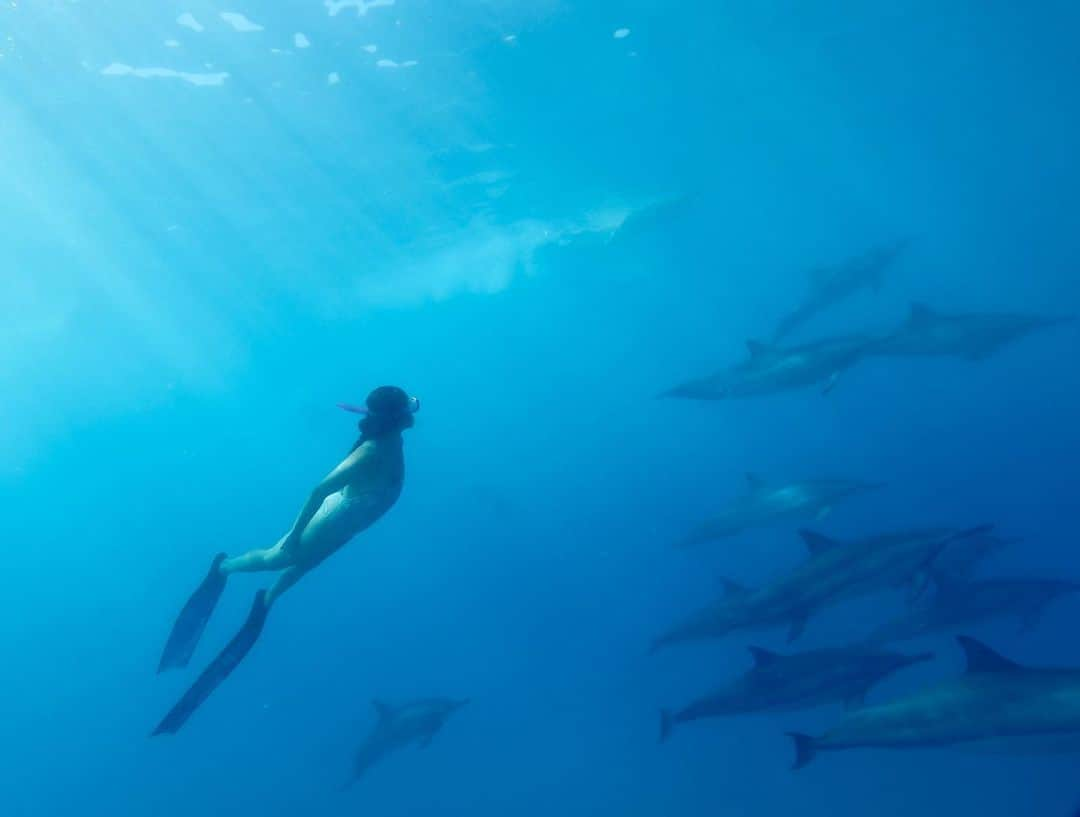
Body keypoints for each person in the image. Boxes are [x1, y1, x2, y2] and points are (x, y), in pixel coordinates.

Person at [152, 385, 419, 735]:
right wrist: (295, 534)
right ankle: (224, 567)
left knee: (309, 565)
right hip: (335, 518)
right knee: (276, 558)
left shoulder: (392, 432)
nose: (412, 414)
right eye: (407, 410)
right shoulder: (371, 452)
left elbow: (403, 407)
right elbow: (319, 490)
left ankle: (268, 598)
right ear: (396, 417)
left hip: (352, 522)